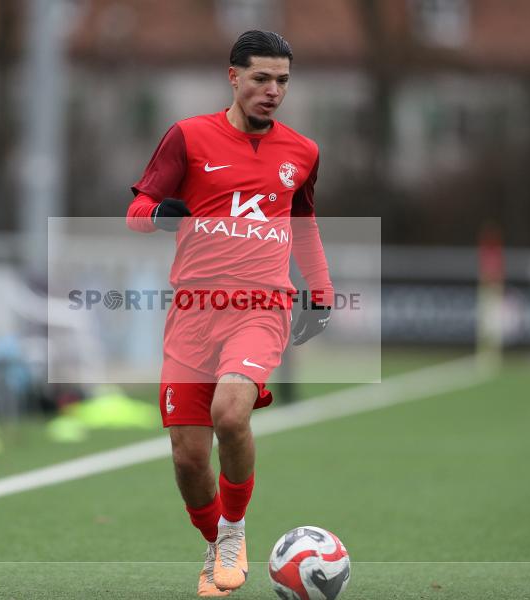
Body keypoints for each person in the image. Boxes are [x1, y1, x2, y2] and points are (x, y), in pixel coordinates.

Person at [126, 30, 334, 597]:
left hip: (260, 306)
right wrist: (160, 215)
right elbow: (137, 210)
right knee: (189, 459)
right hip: (193, 311)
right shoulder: (188, 138)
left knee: (231, 413)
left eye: (283, 81)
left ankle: (235, 531)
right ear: (233, 76)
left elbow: (303, 224)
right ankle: (214, 539)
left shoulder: (303, 152)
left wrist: (319, 288)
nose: (273, 91)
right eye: (262, 78)